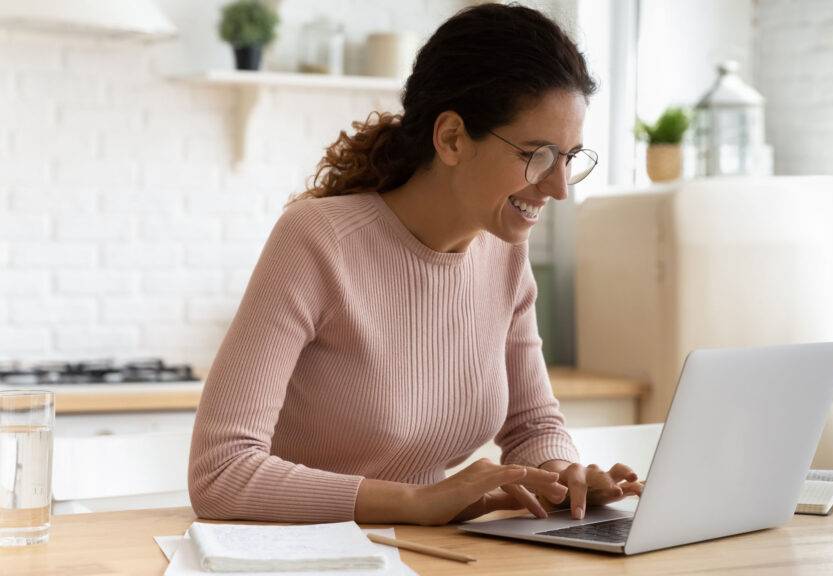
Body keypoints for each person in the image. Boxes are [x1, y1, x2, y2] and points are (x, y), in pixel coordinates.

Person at [188, 2, 643, 526]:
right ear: (451, 138)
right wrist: (415, 502)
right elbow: (220, 474)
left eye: (568, 158)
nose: (559, 188)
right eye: (536, 154)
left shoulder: (504, 254)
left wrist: (564, 478)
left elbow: (531, 426)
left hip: (433, 553)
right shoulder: (317, 240)